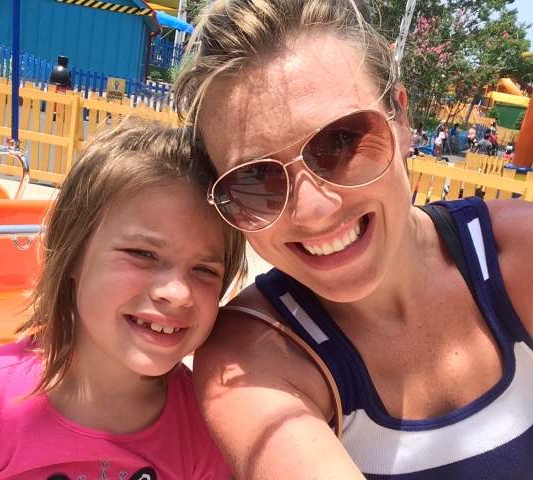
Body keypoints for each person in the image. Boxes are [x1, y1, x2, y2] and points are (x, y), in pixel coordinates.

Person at [174, 0, 533, 477]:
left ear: (401, 120)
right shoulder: (253, 357)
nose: (314, 210)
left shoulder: (520, 251)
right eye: (254, 180)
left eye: (340, 142)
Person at [0, 122, 246, 479]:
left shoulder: (210, 428)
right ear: (72, 254)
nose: (177, 292)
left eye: (204, 270)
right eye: (143, 253)